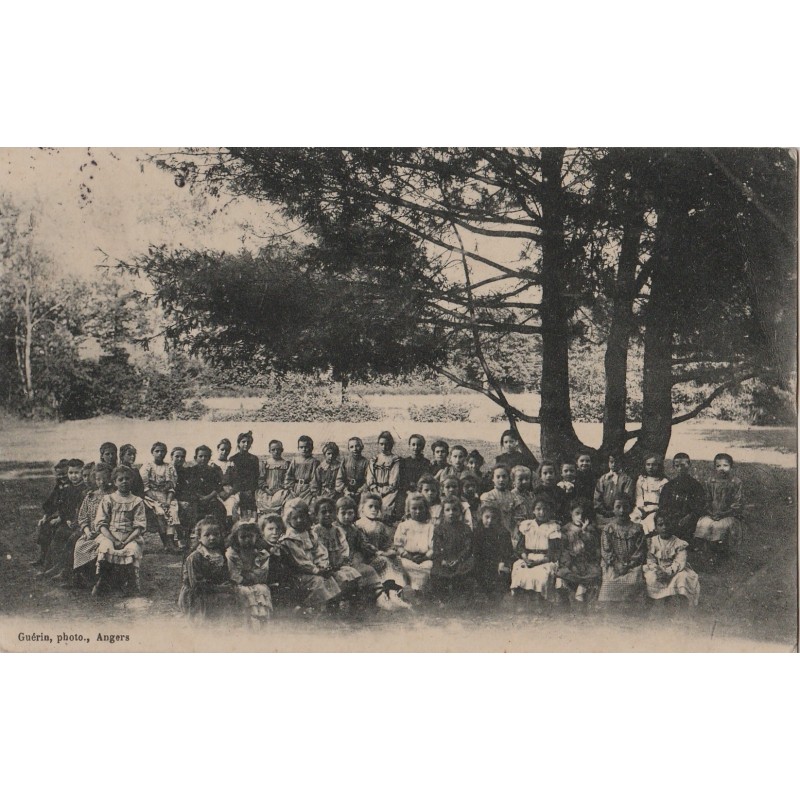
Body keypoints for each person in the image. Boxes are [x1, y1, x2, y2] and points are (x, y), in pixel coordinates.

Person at [278, 498, 342, 610]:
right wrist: (316, 570)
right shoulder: (289, 539)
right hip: (299, 573)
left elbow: (320, 551)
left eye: (302, 517)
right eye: (295, 518)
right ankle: (308, 608)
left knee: (330, 579)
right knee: (318, 581)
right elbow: (300, 560)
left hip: (315, 569)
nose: (299, 520)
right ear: (288, 519)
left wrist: (323, 565)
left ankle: (329, 607)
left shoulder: (310, 534)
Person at [93, 465, 147, 596]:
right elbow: (101, 524)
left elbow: (139, 526)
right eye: (120, 479)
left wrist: (126, 540)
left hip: (130, 536)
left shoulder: (137, 501)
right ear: (115, 482)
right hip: (110, 535)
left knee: (131, 550)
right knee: (105, 548)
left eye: (127, 479)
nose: (124, 482)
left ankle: (128, 584)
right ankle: (103, 581)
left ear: (132, 481)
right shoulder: (108, 499)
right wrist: (114, 540)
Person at [355, 492, 409, 606]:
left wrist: (390, 550)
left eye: (376, 507)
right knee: (384, 561)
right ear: (362, 508)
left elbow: (387, 542)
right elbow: (364, 545)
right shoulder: (359, 525)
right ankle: (383, 593)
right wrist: (380, 553)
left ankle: (394, 591)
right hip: (366, 558)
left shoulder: (380, 525)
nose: (374, 509)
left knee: (396, 560)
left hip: (380, 555)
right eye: (370, 506)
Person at [178, 517, 237, 620]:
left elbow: (224, 574)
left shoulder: (221, 554)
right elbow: (196, 584)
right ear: (199, 537)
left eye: (216, 534)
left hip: (215, 591)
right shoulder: (195, 557)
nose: (212, 538)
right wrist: (219, 588)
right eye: (207, 535)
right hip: (199, 594)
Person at [333, 497, 386, 608]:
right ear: (337, 514)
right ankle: (346, 600)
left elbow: (363, 544)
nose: (347, 517)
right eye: (343, 513)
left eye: (350, 513)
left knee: (368, 570)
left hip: (352, 559)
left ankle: (372, 598)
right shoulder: (334, 529)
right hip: (337, 560)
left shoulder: (354, 529)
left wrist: (375, 551)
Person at [643, 511, 701, 607]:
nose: (664, 527)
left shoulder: (679, 543)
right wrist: (657, 570)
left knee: (683, 578)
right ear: (656, 527)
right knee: (650, 577)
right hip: (658, 569)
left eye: (667, 524)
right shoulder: (652, 542)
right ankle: (657, 602)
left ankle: (678, 602)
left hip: (676, 570)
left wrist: (668, 572)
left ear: (673, 525)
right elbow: (650, 559)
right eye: (660, 525)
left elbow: (679, 562)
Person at [510, 498, 562, 603]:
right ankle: (523, 602)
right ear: (533, 510)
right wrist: (525, 558)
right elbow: (520, 547)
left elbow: (553, 552)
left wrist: (538, 562)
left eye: (545, 509)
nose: (541, 512)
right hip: (528, 558)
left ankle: (540, 602)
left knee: (541, 576)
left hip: (544, 560)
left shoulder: (552, 527)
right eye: (538, 509)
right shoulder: (527, 525)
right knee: (519, 571)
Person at [42, 458, 86, 577]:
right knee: (57, 533)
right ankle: (50, 565)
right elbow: (64, 507)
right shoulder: (68, 488)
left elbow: (80, 509)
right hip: (68, 520)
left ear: (82, 473)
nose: (73, 476)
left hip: (79, 523)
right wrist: (64, 518)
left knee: (66, 535)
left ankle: (63, 569)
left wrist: (70, 520)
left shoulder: (84, 489)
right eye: (71, 473)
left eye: (77, 473)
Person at [310, 497, 362, 599]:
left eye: (330, 512)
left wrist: (342, 559)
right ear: (316, 516)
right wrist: (324, 566)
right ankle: (333, 603)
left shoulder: (337, 530)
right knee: (332, 581)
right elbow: (316, 551)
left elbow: (344, 546)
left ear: (335, 514)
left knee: (353, 575)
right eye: (323, 512)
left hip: (337, 563)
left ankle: (351, 603)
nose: (328, 514)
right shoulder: (315, 531)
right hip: (323, 566)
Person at [694, 453, 745, 555]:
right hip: (712, 514)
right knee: (704, 524)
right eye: (718, 466)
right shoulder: (710, 481)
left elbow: (737, 503)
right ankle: (704, 551)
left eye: (725, 466)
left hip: (728, 514)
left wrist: (723, 514)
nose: (722, 469)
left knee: (719, 527)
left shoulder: (735, 482)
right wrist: (710, 513)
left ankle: (719, 552)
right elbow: (707, 500)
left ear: (731, 467)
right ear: (715, 468)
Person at [597, 497, 646, 603]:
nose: (622, 510)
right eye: (618, 507)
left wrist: (629, 565)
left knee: (634, 581)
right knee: (609, 582)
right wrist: (616, 564)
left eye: (625, 507)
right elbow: (606, 551)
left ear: (631, 509)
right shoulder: (608, 529)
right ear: (613, 509)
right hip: (613, 565)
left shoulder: (637, 529)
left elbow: (640, 551)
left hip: (633, 566)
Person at [72, 463, 114, 587]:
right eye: (98, 479)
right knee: (80, 546)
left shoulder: (113, 496)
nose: (101, 482)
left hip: (107, 532)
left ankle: (101, 578)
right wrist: (87, 530)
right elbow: (83, 517)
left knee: (101, 548)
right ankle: (85, 577)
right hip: (91, 532)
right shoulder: (91, 496)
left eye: (105, 479)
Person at [225, 520, 273, 625]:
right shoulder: (232, 554)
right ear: (236, 538)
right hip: (240, 584)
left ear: (257, 536)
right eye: (243, 537)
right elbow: (233, 573)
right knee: (244, 592)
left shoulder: (261, 554)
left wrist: (250, 576)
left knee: (263, 590)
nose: (247, 540)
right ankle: (247, 623)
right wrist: (243, 579)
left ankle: (262, 620)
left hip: (258, 583)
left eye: (250, 536)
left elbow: (263, 571)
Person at [556, 500, 601, 604]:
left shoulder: (591, 530)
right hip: (572, 561)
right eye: (577, 513)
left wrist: (584, 532)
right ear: (571, 513)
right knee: (563, 573)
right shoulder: (566, 529)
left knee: (595, 573)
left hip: (586, 561)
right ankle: (571, 592)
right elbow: (563, 548)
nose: (580, 517)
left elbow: (593, 548)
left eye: (583, 514)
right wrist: (569, 561)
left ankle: (582, 590)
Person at [430, 498, 474, 599]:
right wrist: (443, 559)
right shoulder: (439, 529)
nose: (451, 513)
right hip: (444, 559)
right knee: (438, 572)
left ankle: (460, 595)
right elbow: (437, 546)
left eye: (455, 510)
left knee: (465, 571)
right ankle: (442, 597)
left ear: (460, 512)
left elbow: (468, 547)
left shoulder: (465, 529)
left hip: (461, 559)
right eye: (448, 510)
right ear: (443, 513)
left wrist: (459, 559)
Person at [140, 441, 180, 551]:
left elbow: (172, 487)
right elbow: (146, 488)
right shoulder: (147, 466)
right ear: (152, 452)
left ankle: (171, 541)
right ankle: (166, 543)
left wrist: (167, 501)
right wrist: (158, 501)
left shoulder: (169, 467)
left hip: (166, 496)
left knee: (173, 511)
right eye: (157, 451)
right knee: (160, 512)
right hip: (151, 496)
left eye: (162, 451)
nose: (160, 453)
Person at [658, 453, 706, 542]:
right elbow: (663, 505)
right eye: (677, 466)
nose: (680, 468)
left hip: (689, 519)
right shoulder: (669, 486)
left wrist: (688, 517)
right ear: (673, 467)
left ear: (689, 465)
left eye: (683, 465)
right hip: (672, 518)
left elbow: (699, 506)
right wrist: (670, 517)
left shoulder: (696, 485)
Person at [393, 492, 435, 594]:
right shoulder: (403, 526)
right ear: (408, 510)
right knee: (403, 566)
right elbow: (399, 545)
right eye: (414, 508)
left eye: (421, 508)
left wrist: (425, 557)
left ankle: (422, 592)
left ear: (426, 509)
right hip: (407, 557)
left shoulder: (430, 527)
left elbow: (433, 547)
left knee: (428, 566)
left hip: (424, 558)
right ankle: (407, 591)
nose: (418, 511)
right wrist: (407, 555)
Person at [31, 460, 70, 567]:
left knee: (56, 529)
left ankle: (54, 562)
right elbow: (51, 502)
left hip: (69, 517)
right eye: (59, 474)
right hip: (61, 516)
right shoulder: (59, 486)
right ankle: (43, 557)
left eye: (65, 473)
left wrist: (61, 518)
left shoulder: (72, 487)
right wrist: (45, 516)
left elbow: (71, 507)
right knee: (45, 525)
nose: (62, 477)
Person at [472, 502, 513, 598]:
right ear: (481, 516)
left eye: (493, 518)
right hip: (481, 561)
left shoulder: (503, 533)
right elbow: (475, 550)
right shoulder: (477, 531)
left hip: (497, 561)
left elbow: (507, 551)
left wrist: (502, 561)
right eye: (487, 517)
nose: (490, 521)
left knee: (501, 574)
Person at [187, 445, 226, 528]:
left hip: (210, 498)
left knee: (219, 508)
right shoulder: (191, 471)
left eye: (206, 456)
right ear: (195, 457)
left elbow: (218, 487)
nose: (203, 459)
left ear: (209, 458)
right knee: (193, 510)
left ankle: (219, 531)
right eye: (200, 456)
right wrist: (199, 497)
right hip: (196, 498)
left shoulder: (214, 470)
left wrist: (208, 497)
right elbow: (191, 487)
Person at [365, 431, 401, 521]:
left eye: (386, 444)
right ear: (378, 444)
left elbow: (394, 477)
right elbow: (370, 475)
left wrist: (386, 491)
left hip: (389, 492)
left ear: (391, 445)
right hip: (375, 490)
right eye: (381, 444)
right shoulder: (374, 459)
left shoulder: (395, 460)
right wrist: (374, 489)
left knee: (385, 511)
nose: (384, 447)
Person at [594, 453, 635, 527]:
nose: (614, 464)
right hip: (604, 515)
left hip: (619, 514)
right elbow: (597, 498)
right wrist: (604, 512)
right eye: (611, 462)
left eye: (616, 462)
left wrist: (617, 510)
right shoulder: (603, 479)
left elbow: (627, 497)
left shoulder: (626, 479)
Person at [631, 454, 669, 535]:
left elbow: (663, 501)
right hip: (642, 508)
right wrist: (641, 509)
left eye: (654, 465)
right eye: (648, 464)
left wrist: (652, 510)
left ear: (658, 466)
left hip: (656, 509)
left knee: (650, 523)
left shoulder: (663, 481)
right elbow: (639, 497)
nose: (650, 467)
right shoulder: (641, 479)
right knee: (633, 519)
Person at [229, 431, 260, 521]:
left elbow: (256, 476)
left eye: (248, 442)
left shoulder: (254, 459)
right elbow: (232, 477)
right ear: (238, 443)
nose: (246, 444)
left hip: (251, 490)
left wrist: (251, 490)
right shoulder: (233, 459)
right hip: (238, 491)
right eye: (243, 442)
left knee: (252, 515)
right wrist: (238, 491)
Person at [480, 465, 517, 538]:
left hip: (509, 531)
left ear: (508, 478)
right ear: (493, 479)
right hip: (492, 531)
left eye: (504, 477)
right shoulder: (488, 496)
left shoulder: (513, 496)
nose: (501, 480)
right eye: (498, 477)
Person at [256, 439, 292, 515]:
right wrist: (266, 489)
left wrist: (282, 488)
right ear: (269, 451)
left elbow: (287, 479)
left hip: (280, 491)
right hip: (267, 491)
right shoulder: (265, 463)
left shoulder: (286, 464)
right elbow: (261, 479)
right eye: (273, 450)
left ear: (282, 450)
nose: (276, 451)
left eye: (278, 449)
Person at [399, 434, 432, 513]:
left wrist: (419, 491)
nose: (416, 448)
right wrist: (408, 491)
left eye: (419, 445)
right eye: (413, 445)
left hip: (421, 491)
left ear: (422, 447)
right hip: (406, 490)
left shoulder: (426, 463)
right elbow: (402, 479)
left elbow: (425, 479)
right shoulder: (404, 462)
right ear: (409, 446)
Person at [284, 435, 322, 504]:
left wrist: (312, 491)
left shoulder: (314, 462)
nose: (304, 449)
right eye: (301, 447)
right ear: (298, 448)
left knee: (307, 505)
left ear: (312, 448)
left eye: (306, 447)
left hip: (307, 489)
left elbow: (315, 479)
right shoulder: (295, 460)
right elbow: (289, 475)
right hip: (295, 488)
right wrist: (290, 488)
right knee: (289, 504)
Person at [336, 437, 368, 506]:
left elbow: (368, 480)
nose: (355, 449)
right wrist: (345, 490)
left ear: (362, 447)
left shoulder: (365, 462)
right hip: (347, 491)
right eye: (351, 447)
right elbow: (339, 478)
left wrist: (361, 490)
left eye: (357, 446)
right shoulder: (345, 460)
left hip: (361, 492)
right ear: (349, 449)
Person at [212, 438, 238, 522]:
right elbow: (211, 481)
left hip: (230, 491)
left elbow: (236, 481)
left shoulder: (231, 464)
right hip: (217, 492)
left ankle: (230, 528)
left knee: (232, 504)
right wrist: (219, 492)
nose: (224, 452)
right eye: (222, 449)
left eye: (227, 450)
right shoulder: (212, 464)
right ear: (217, 449)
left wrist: (229, 492)